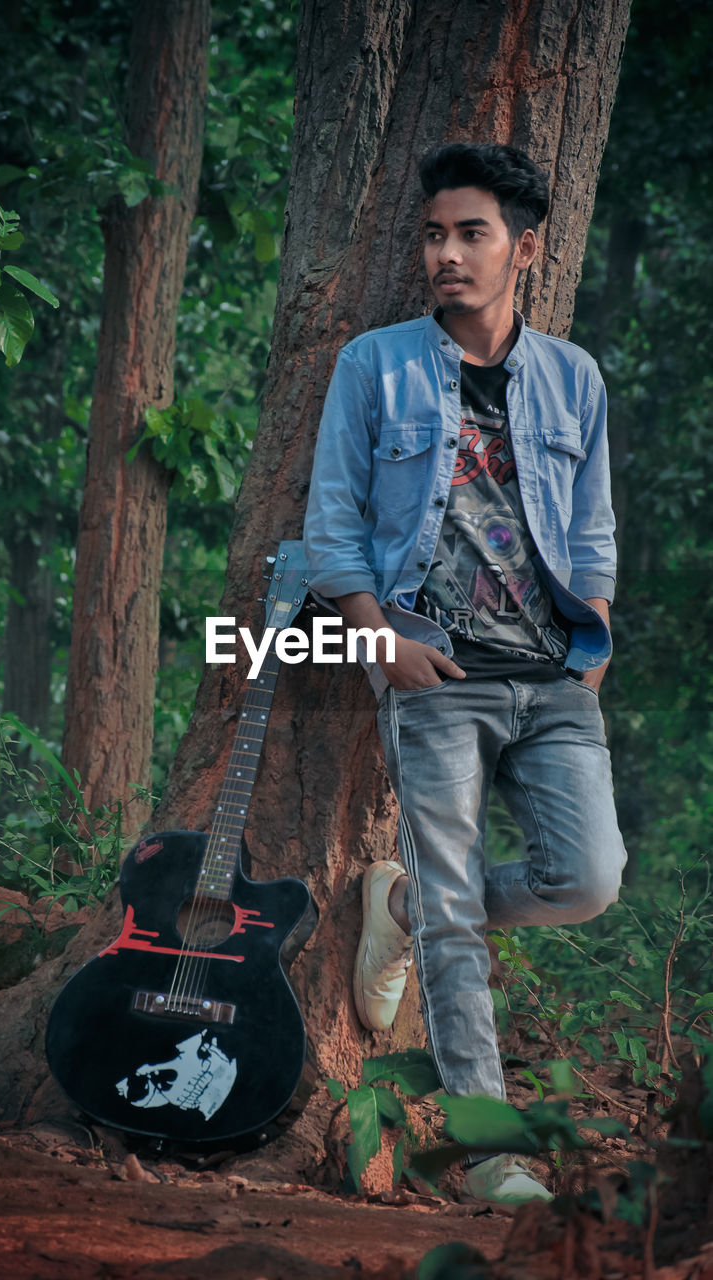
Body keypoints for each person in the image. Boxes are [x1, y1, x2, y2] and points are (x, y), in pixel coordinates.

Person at [303, 142, 627, 1207]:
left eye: (470, 233)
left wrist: (596, 645)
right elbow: (332, 519)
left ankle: (404, 908)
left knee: (587, 880)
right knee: (453, 911)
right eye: (433, 234)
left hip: (553, 676)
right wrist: (373, 638)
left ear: (522, 249)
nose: (445, 253)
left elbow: (591, 532)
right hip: (430, 674)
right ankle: (492, 1150)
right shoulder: (375, 364)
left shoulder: (573, 377)